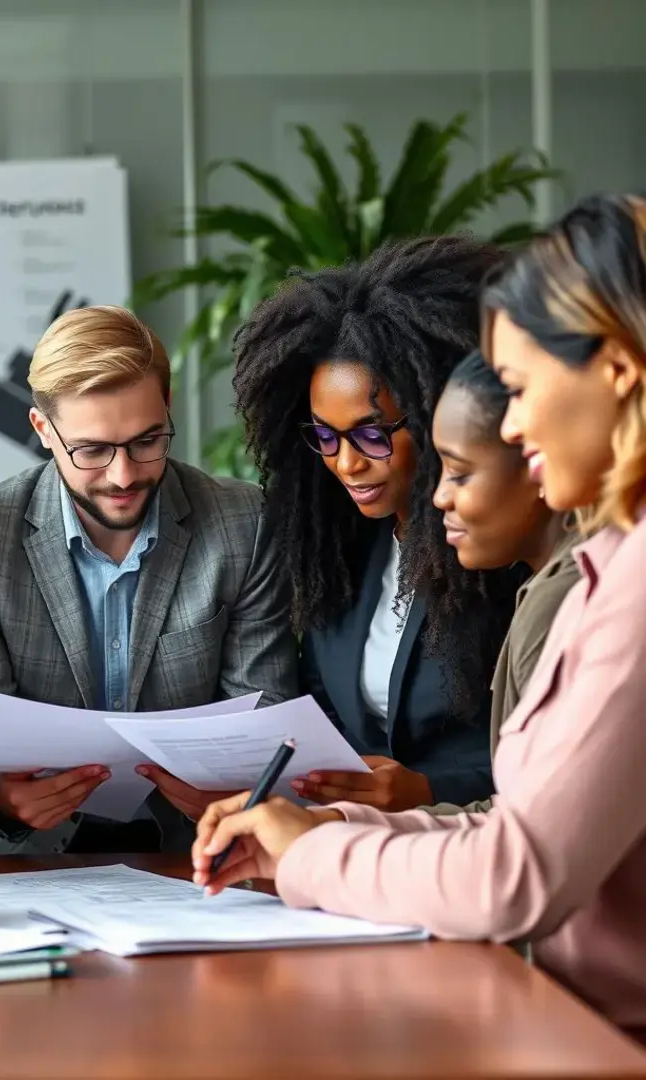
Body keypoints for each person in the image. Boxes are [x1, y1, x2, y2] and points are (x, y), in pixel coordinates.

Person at [193, 192, 646, 1044]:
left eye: (516, 388)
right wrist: (331, 821)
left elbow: (519, 872)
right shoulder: (612, 563)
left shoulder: (624, 580)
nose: (510, 423)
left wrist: (312, 852)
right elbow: (525, 828)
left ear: (616, 369)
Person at [0, 304, 297, 856]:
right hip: (29, 863)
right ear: (42, 429)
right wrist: (5, 801)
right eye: (92, 451)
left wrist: (241, 790)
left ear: (168, 407)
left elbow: (266, 716)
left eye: (147, 441)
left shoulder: (242, 525)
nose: (123, 475)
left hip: (200, 848)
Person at [232, 236, 520, 812]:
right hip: (351, 848)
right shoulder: (339, 549)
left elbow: (561, 747)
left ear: (436, 411)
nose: (346, 462)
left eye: (371, 433)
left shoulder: (502, 551)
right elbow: (327, 703)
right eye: (325, 436)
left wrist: (430, 789)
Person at [425, 349, 581, 814]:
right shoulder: (546, 581)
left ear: (536, 459)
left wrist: (332, 839)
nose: (438, 497)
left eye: (459, 474)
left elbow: (534, 837)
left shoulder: (562, 597)